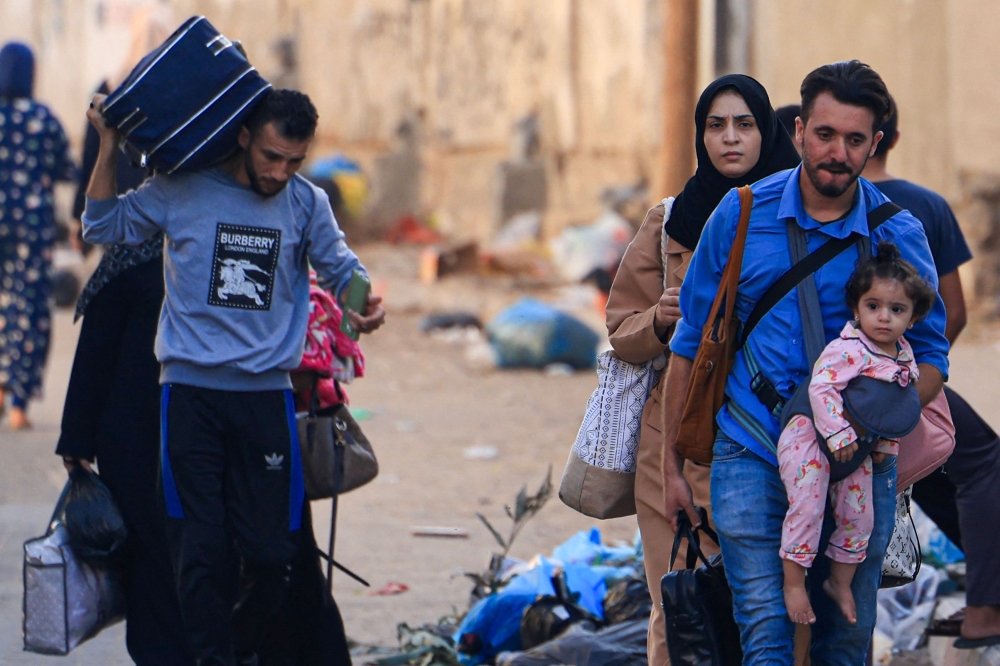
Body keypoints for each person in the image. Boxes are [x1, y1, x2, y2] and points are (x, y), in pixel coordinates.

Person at [82, 88, 386, 665]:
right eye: (272, 156)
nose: (280, 172)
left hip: (267, 399)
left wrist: (361, 307)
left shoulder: (306, 203)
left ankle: (239, 653)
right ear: (244, 136)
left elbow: (344, 269)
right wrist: (106, 146)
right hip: (190, 396)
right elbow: (101, 225)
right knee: (200, 551)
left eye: (294, 161)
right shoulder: (183, 189)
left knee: (274, 557)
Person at [660, 60, 949, 665]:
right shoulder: (740, 216)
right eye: (824, 134)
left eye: (854, 139)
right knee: (763, 630)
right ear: (797, 132)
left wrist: (874, 421)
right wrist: (672, 469)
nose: (837, 153)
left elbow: (931, 359)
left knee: (843, 640)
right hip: (752, 446)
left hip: (861, 464)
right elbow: (691, 344)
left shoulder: (897, 234)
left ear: (875, 144)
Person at [606, 73, 799, 666]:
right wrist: (660, 324)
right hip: (674, 438)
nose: (730, 139)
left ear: (767, 132)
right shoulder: (669, 224)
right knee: (680, 604)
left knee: (764, 603)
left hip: (770, 435)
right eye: (716, 126)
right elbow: (619, 330)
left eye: (745, 125)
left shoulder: (797, 221)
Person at [863, 103, 1000, 649]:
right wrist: (921, 380)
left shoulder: (810, 202)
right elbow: (956, 313)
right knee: (975, 458)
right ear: (893, 136)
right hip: (911, 373)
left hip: (833, 378)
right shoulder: (925, 205)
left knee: (933, 467)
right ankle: (986, 610)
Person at [779, 243, 934, 626]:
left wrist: (884, 444)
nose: (884, 318)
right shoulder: (848, 349)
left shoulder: (903, 356)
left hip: (858, 450)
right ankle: (794, 583)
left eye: (897, 310)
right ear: (856, 309)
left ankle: (839, 581)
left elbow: (893, 408)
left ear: (913, 318)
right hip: (811, 438)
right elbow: (822, 388)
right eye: (873, 306)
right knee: (808, 506)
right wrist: (837, 433)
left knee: (859, 518)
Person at [0, 42, 75, 429]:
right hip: (32, 228)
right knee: (27, 311)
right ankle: (17, 406)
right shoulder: (43, 118)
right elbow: (68, 169)